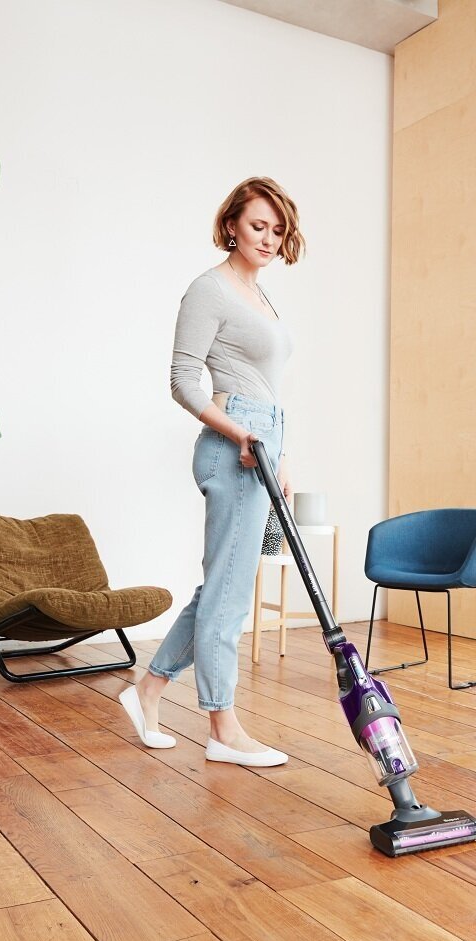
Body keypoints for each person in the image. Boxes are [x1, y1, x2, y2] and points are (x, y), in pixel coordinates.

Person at [119, 176, 303, 767]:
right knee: (229, 593)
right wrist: (241, 434)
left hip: (262, 443)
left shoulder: (260, 295)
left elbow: (268, 387)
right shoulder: (210, 289)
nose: (268, 238)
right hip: (234, 448)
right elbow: (182, 380)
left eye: (277, 229)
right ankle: (223, 727)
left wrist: (283, 455)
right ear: (231, 226)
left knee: (221, 588)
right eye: (257, 226)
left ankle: (148, 689)